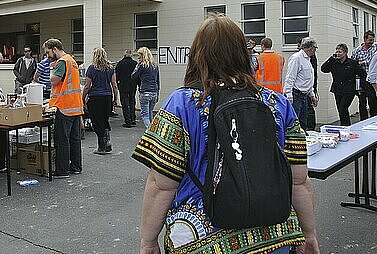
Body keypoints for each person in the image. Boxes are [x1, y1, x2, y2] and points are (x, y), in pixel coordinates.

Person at [132, 14, 318, 254]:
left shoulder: (181, 105)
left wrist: (148, 241)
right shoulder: (278, 104)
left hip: (201, 238)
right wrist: (309, 233)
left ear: (197, 54)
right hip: (274, 236)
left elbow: (161, 185)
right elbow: (299, 180)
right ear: (243, 53)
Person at [44, 38, 84, 178]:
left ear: (55, 49)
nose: (48, 55)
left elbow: (54, 80)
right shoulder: (71, 60)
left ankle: (62, 170)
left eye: (48, 52)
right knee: (74, 139)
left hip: (64, 106)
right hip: (75, 105)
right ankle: (76, 167)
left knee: (62, 139)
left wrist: (51, 69)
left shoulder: (61, 62)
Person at [82, 47, 119, 155]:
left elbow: (87, 86)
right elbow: (114, 85)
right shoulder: (110, 68)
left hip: (95, 98)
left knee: (97, 122)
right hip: (107, 96)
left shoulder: (91, 69)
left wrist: (82, 98)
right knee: (104, 119)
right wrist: (115, 98)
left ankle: (101, 146)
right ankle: (107, 139)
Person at [320, 44, 366, 126]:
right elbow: (323, 69)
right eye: (336, 51)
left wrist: (360, 86)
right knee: (340, 110)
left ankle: (346, 126)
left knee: (343, 108)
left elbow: (363, 74)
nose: (338, 54)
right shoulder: (334, 62)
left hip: (349, 89)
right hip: (337, 89)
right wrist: (331, 58)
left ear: (345, 53)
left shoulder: (352, 63)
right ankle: (344, 126)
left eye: (340, 52)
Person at [284, 38, 319, 131]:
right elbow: (290, 77)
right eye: (315, 48)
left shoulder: (308, 59)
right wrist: (289, 94)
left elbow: (308, 79)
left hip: (304, 96)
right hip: (296, 95)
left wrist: (312, 95)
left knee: (303, 122)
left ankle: (302, 142)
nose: (315, 50)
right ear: (311, 48)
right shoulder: (296, 58)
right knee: (294, 123)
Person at [351, 30, 377, 120]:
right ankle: (363, 120)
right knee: (362, 101)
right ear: (365, 39)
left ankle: (374, 119)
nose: (372, 42)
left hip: (373, 78)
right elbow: (353, 64)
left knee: (373, 101)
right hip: (362, 79)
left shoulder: (376, 47)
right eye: (370, 40)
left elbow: (376, 60)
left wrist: (363, 62)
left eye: (373, 40)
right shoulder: (357, 51)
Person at [132, 47, 160, 129]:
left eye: (139, 55)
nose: (138, 57)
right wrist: (157, 93)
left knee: (145, 115)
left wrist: (137, 66)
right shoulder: (155, 66)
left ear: (143, 55)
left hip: (144, 92)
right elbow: (157, 81)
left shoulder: (142, 65)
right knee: (150, 112)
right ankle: (153, 131)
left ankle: (149, 132)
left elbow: (133, 76)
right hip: (154, 92)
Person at [116, 49, 138, 128]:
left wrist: (117, 84)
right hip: (132, 86)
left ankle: (127, 121)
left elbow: (117, 75)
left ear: (124, 55)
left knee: (125, 104)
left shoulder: (120, 63)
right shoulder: (135, 63)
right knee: (132, 102)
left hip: (123, 86)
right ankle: (133, 119)